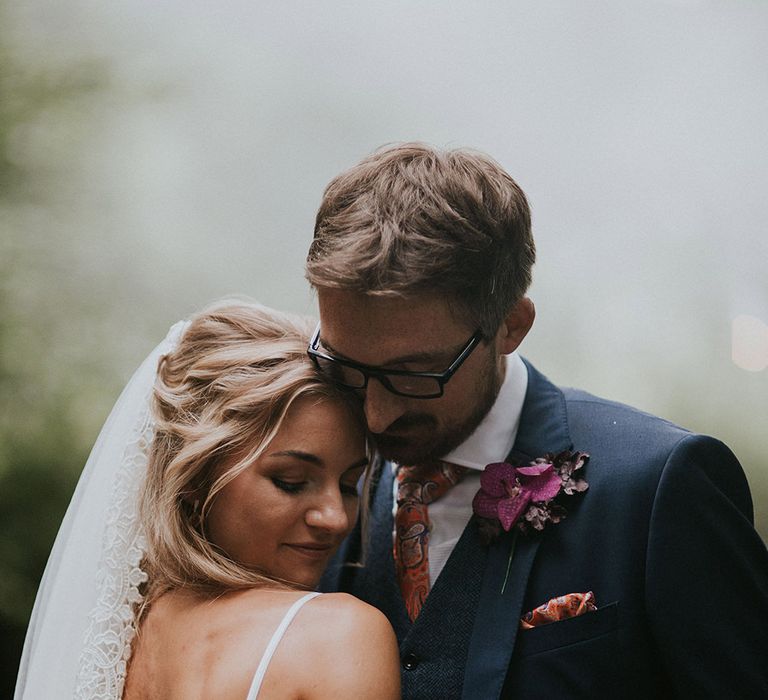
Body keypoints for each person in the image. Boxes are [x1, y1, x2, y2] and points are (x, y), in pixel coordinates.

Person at [305, 143, 768, 699]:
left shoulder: (660, 485)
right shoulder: (317, 485)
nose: (375, 415)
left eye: (416, 373)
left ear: (512, 325)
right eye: (346, 365)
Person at [15, 300, 400, 700]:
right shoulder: (336, 638)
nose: (335, 518)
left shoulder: (103, 638)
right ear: (195, 478)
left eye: (350, 485)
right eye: (291, 481)